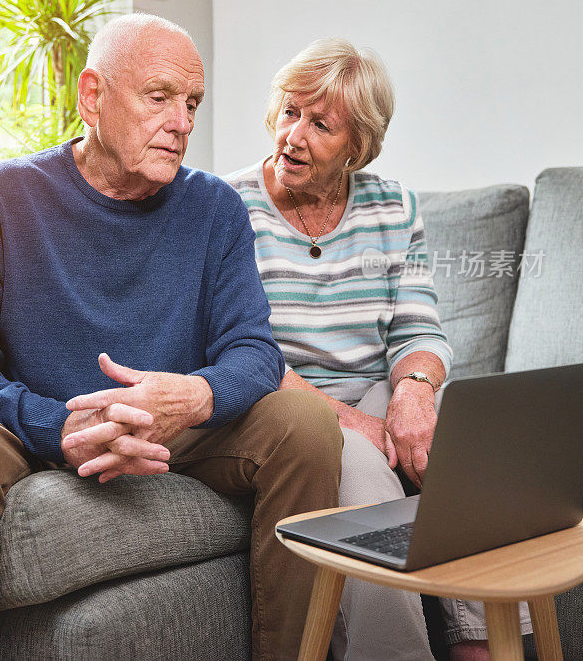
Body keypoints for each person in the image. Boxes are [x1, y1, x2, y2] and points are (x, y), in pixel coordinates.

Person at [0, 13, 343, 661]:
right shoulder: (3, 197)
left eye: (192, 104)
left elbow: (255, 353)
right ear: (92, 97)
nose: (183, 122)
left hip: (175, 431)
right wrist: (60, 426)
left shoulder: (215, 209)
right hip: (41, 424)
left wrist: (191, 396)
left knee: (305, 420)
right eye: (159, 97)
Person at [226, 38, 532, 661]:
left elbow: (419, 332)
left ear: (357, 145)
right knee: (365, 469)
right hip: (284, 402)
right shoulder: (227, 208)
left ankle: (491, 646)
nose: (293, 135)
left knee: (460, 440)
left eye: (320, 124)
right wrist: (350, 421)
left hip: (377, 385)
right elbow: (242, 351)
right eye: (289, 112)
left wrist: (415, 397)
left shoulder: (392, 206)